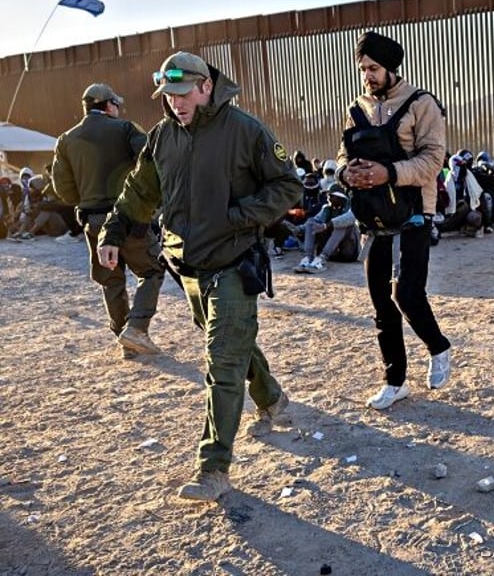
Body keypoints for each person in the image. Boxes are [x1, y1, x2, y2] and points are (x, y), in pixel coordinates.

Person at [97, 52, 303, 502]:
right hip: (187, 267)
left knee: (222, 362)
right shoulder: (162, 136)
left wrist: (237, 218)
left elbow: (288, 185)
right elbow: (138, 191)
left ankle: (213, 468)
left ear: (206, 87)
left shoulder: (245, 130)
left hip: (233, 260)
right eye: (167, 96)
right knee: (229, 339)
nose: (174, 103)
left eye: (182, 93)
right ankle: (272, 398)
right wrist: (113, 230)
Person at [336, 31, 451, 410]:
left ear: (390, 67)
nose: (367, 75)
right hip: (373, 218)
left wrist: (389, 173)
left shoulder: (422, 104)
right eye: (362, 68)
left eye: (373, 68)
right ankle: (394, 380)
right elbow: (340, 156)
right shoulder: (357, 107)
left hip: (414, 213)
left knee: (407, 294)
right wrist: (345, 174)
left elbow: (434, 160)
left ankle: (438, 347)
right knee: (381, 303)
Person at [52, 84, 165, 357]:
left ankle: (125, 340)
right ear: (108, 105)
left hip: (93, 220)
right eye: (116, 104)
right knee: (151, 271)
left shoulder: (66, 140)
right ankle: (136, 329)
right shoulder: (126, 129)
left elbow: (63, 190)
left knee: (111, 280)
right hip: (129, 216)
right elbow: (152, 163)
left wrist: (89, 198)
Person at [292, 183, 359, 273]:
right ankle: (308, 258)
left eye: (331, 195)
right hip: (333, 254)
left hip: (347, 252)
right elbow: (314, 221)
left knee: (341, 225)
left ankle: (322, 259)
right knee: (311, 222)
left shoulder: (352, 208)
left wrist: (326, 225)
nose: (328, 197)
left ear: (340, 197)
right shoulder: (326, 208)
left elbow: (349, 219)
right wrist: (297, 229)